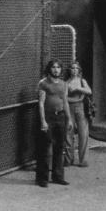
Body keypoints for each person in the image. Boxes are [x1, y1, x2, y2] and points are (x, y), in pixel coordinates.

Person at [36, 59, 73, 188]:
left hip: (61, 117)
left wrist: (69, 119)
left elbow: (65, 102)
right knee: (45, 148)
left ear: (61, 69)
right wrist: (43, 121)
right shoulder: (44, 83)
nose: (56, 70)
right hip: (48, 118)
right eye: (53, 67)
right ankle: (42, 178)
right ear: (49, 69)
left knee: (59, 147)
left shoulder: (64, 84)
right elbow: (41, 103)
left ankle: (58, 176)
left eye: (58, 67)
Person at [64, 61, 92, 168]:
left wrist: (78, 89)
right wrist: (73, 97)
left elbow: (89, 91)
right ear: (69, 70)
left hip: (81, 108)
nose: (74, 70)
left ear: (79, 70)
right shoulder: (66, 82)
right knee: (68, 134)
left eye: (76, 68)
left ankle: (83, 160)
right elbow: (64, 97)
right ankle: (68, 159)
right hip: (69, 108)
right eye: (72, 68)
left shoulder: (82, 81)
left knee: (83, 133)